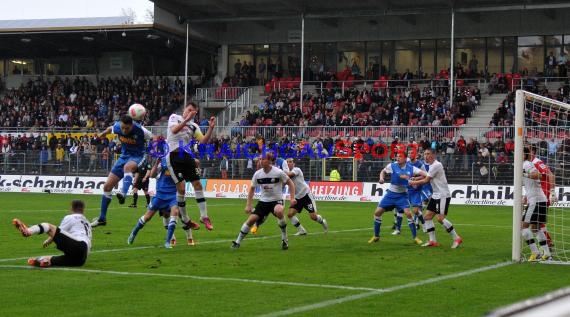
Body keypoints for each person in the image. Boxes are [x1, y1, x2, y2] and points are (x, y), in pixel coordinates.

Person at [91, 115, 154, 227]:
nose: (124, 130)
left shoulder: (140, 129)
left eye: (127, 128)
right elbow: (110, 129)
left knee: (127, 168)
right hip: (124, 156)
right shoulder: (118, 126)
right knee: (107, 187)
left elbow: (153, 137)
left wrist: (157, 145)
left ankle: (123, 193)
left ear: (132, 125)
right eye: (123, 128)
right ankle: (102, 218)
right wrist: (102, 135)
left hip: (138, 156)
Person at [128, 158, 200, 248]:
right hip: (160, 194)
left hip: (173, 194)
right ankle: (133, 233)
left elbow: (196, 162)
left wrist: (189, 161)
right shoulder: (164, 160)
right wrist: (157, 162)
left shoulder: (180, 160)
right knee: (147, 217)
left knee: (175, 214)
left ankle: (168, 242)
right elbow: (152, 175)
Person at [166, 102, 216, 231]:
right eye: (189, 110)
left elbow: (203, 141)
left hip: (186, 156)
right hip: (173, 156)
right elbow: (174, 130)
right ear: (184, 109)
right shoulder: (174, 117)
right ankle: (185, 218)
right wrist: (186, 120)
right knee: (181, 189)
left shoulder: (194, 126)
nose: (190, 112)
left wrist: (211, 128)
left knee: (198, 184)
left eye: (193, 112)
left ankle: (204, 216)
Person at [231, 152, 296, 250]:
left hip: (277, 200)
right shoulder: (258, 174)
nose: (261, 161)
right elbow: (252, 189)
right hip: (263, 202)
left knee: (278, 211)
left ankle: (284, 239)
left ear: (269, 161)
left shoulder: (278, 172)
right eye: (260, 159)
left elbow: (290, 183)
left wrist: (292, 198)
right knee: (251, 220)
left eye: (263, 159)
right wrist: (248, 205)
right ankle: (237, 242)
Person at [12, 200, 91, 267]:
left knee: (49, 226)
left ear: (71, 208)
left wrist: (49, 240)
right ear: (83, 210)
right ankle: (43, 261)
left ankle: (28, 231)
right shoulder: (87, 222)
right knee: (50, 258)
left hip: (79, 245)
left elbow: (58, 231)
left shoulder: (71, 217)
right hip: (81, 259)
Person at [409, 148, 462, 248]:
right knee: (427, 217)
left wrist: (413, 182)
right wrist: (417, 178)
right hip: (436, 194)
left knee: (440, 218)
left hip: (443, 195)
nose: (425, 156)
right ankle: (432, 241)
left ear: (434, 155)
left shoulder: (436, 165)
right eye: (424, 154)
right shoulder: (430, 165)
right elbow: (428, 176)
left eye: (428, 154)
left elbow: (426, 180)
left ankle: (457, 238)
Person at [368, 152, 424, 245]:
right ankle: (376, 236)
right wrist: (381, 178)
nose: (398, 158)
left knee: (408, 214)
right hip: (390, 194)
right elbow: (383, 171)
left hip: (402, 195)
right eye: (397, 156)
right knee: (377, 213)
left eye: (400, 157)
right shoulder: (392, 165)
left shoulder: (411, 168)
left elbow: (425, 174)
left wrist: (416, 180)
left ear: (405, 159)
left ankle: (415, 237)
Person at [522, 147, 552, 261]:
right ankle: (547, 253)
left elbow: (539, 175)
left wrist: (524, 174)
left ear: (524, 155)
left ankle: (535, 252)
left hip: (535, 201)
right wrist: (526, 196)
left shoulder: (526, 164)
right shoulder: (526, 164)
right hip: (540, 199)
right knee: (535, 228)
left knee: (523, 227)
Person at [284, 158, 329, 235]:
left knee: (313, 217)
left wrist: (280, 173)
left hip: (306, 195)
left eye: (290, 162)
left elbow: (289, 175)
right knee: (290, 214)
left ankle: (322, 221)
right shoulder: (285, 174)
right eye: (287, 162)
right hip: (297, 198)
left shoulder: (297, 170)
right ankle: (302, 230)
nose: (289, 163)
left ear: (293, 164)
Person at [250, 155, 290, 235]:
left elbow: (286, 174)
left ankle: (284, 235)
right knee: (264, 214)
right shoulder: (265, 165)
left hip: (278, 193)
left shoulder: (282, 162)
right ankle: (257, 224)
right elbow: (260, 170)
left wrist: (280, 178)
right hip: (267, 193)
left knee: (278, 213)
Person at [529, 144, 556, 248]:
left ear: (533, 152)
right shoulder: (529, 163)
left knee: (534, 222)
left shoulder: (537, 162)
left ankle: (547, 244)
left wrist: (552, 192)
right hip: (537, 195)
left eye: (528, 150)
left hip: (544, 195)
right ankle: (548, 243)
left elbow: (551, 175)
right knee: (536, 222)